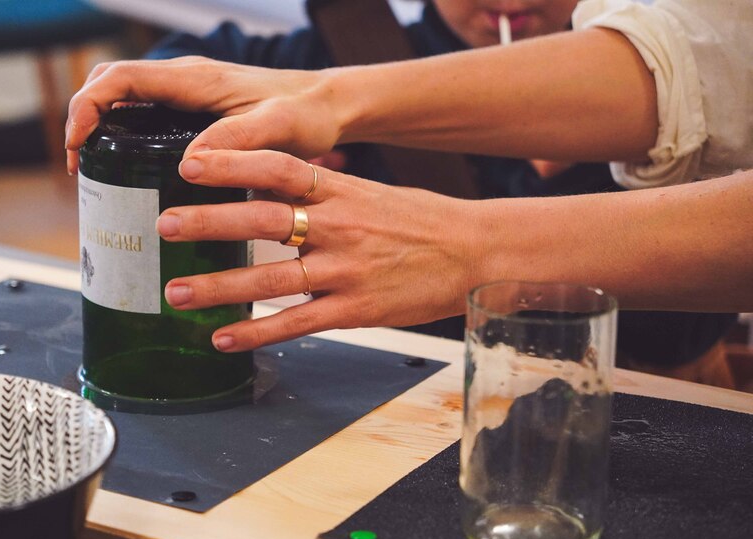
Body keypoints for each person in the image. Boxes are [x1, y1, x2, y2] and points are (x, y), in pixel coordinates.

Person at [64, 1, 753, 357]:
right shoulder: (351, 46)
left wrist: (472, 246)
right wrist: (323, 100)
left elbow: (711, 83)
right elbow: (703, 70)